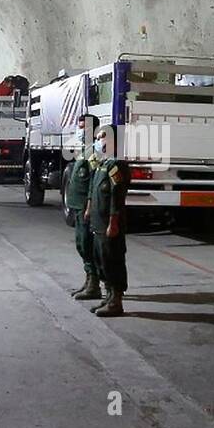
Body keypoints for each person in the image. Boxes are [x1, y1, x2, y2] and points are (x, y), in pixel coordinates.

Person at [85, 123, 128, 317]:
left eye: (101, 137)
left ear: (111, 140)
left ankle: (116, 301)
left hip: (109, 223)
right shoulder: (102, 164)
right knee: (101, 259)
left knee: (113, 261)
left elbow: (116, 196)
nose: (97, 140)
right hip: (98, 223)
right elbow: (94, 193)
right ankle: (108, 296)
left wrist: (113, 222)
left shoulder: (116, 165)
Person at [66, 115, 101, 300]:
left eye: (84, 128)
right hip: (77, 206)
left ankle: (94, 284)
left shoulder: (95, 152)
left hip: (85, 207)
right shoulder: (83, 149)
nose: (80, 131)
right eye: (79, 128)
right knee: (81, 244)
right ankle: (89, 281)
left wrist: (89, 206)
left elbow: (94, 182)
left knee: (87, 244)